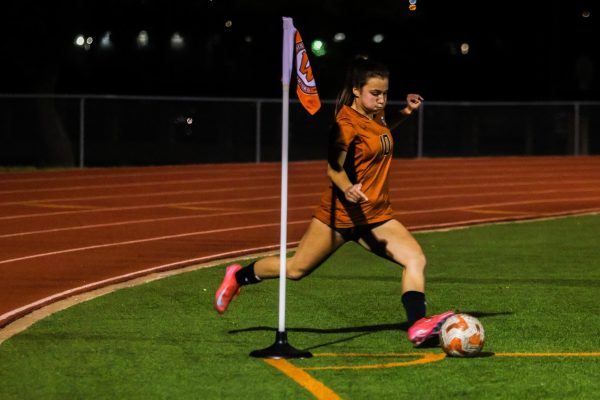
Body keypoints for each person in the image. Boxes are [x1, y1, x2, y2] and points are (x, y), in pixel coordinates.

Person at [214, 57, 453, 346]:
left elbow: (380, 133)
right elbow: (333, 168)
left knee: (415, 258)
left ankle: (418, 327)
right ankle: (239, 276)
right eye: (375, 93)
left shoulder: (374, 116)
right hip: (339, 216)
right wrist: (348, 188)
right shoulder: (345, 124)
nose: (381, 100)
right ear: (356, 90)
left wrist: (405, 111)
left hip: (374, 216)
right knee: (296, 270)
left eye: (385, 93)